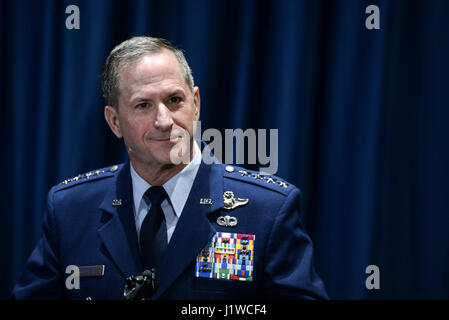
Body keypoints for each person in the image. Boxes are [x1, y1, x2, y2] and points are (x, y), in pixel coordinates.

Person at [12, 37, 328, 300]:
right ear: (114, 121)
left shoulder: (267, 210)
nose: (164, 121)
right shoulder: (70, 210)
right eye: (143, 105)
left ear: (196, 103)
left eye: (174, 100)